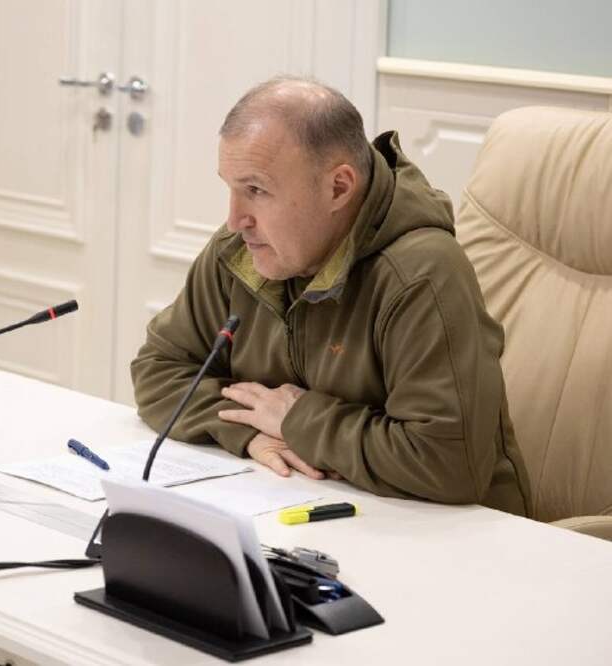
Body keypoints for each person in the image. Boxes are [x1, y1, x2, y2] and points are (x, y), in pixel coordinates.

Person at [131, 76, 531, 516]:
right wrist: (251, 431)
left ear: (339, 187)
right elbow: (158, 370)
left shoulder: (421, 274)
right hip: (303, 509)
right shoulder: (240, 252)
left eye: (256, 190)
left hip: (457, 534)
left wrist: (297, 420)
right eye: (232, 188)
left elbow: (448, 463)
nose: (234, 220)